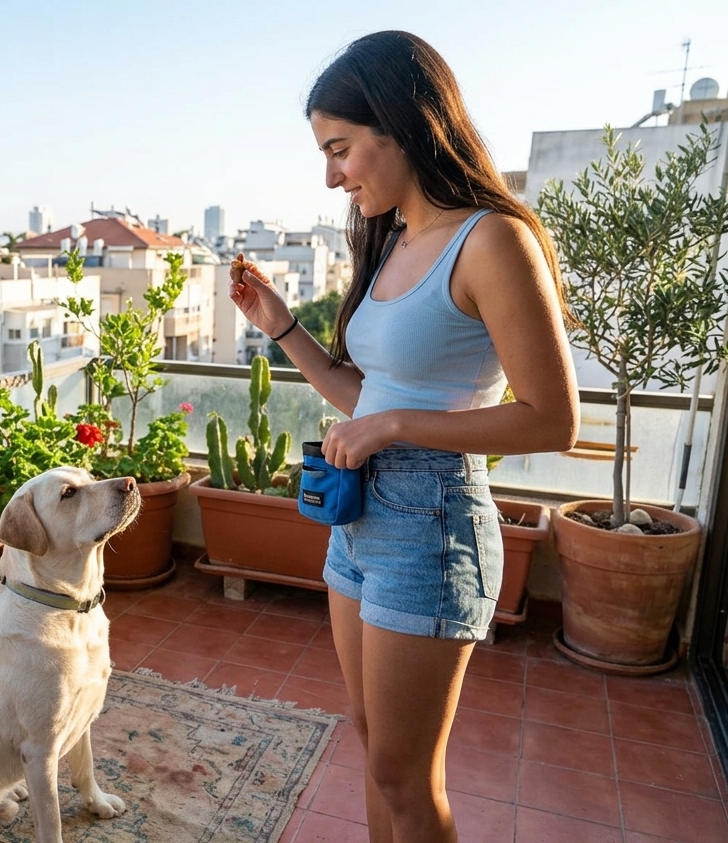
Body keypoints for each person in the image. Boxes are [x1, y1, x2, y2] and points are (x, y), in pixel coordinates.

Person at [229, 31, 579, 843]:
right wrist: (282, 326)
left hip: (433, 521)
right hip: (362, 521)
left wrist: (391, 425)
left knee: (406, 774)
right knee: (372, 742)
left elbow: (553, 417)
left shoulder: (491, 239)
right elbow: (367, 392)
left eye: (341, 148)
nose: (331, 174)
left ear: (400, 123)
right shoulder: (390, 243)